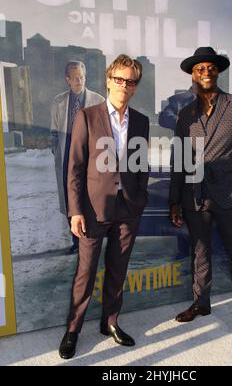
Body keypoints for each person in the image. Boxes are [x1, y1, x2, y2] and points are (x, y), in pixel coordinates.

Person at [169, 46, 232, 337]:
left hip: (230, 195)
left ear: (218, 71)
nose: (206, 72)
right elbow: (180, 160)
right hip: (195, 196)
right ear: (193, 75)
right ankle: (201, 303)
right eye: (200, 69)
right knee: (199, 253)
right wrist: (175, 200)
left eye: (211, 67)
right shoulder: (186, 114)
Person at [59, 54, 149, 359]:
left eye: (130, 81)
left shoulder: (141, 122)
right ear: (108, 81)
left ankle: (110, 322)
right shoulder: (87, 116)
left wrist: (140, 198)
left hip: (128, 209)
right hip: (93, 210)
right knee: (85, 271)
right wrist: (75, 211)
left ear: (135, 87)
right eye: (119, 79)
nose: (124, 86)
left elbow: (141, 166)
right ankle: (73, 330)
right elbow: (74, 168)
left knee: (117, 270)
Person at [50, 61, 104, 254]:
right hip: (65, 157)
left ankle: (89, 239)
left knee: (89, 195)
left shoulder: (98, 100)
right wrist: (57, 151)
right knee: (69, 197)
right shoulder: (59, 102)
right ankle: (76, 240)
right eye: (75, 78)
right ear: (68, 80)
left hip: (90, 157)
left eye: (82, 77)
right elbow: (54, 132)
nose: (80, 81)